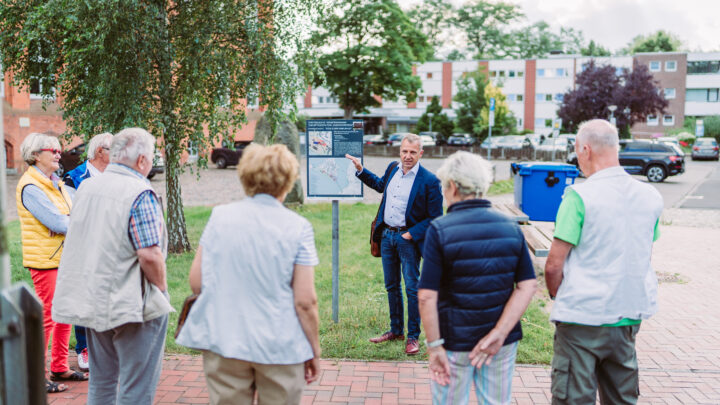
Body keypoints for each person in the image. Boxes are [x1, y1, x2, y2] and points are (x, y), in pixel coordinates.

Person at [176, 143, 321, 404]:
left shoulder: (220, 217)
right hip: (280, 345)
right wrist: (314, 350)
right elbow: (305, 301)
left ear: (246, 177)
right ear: (288, 180)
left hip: (226, 340)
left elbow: (197, 282)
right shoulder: (298, 227)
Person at [545, 119, 663, 404]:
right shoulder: (651, 196)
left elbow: (553, 264)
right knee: (622, 399)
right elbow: (642, 250)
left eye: (577, 152)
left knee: (573, 398)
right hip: (628, 314)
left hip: (582, 316)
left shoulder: (579, 197)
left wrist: (558, 295)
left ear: (586, 149)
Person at [52, 127, 172, 405]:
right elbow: (151, 254)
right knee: (136, 387)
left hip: (93, 296)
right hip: (133, 304)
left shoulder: (87, 188)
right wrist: (162, 290)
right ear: (142, 160)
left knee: (102, 383)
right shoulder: (140, 191)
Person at [417, 151, 537, 405]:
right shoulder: (511, 227)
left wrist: (434, 345)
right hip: (500, 342)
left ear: (452, 186)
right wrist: (500, 332)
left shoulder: (440, 229)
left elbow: (427, 296)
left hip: (453, 341)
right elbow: (527, 284)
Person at [346, 133, 443, 355]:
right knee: (391, 285)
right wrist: (361, 170)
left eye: (412, 152)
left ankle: (412, 337)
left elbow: (435, 216)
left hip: (407, 240)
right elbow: (380, 186)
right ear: (399, 152)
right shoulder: (392, 169)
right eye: (404, 152)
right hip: (387, 236)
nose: (407, 156)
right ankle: (396, 330)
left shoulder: (429, 180)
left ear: (421, 153)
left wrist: (410, 234)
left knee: (411, 287)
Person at [15, 133, 88, 394]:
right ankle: (37, 374)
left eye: (59, 150)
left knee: (65, 312)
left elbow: (71, 214)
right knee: (48, 316)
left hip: (64, 256)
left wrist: (70, 220)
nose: (59, 154)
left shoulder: (54, 182)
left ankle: (59, 366)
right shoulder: (31, 186)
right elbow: (57, 222)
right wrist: (72, 221)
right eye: (53, 151)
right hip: (45, 260)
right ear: (36, 155)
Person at [61, 131, 113, 372]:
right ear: (100, 151)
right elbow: (71, 214)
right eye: (114, 149)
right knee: (83, 296)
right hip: (83, 243)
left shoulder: (115, 176)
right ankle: (84, 347)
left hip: (110, 244)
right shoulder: (74, 177)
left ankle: (106, 347)